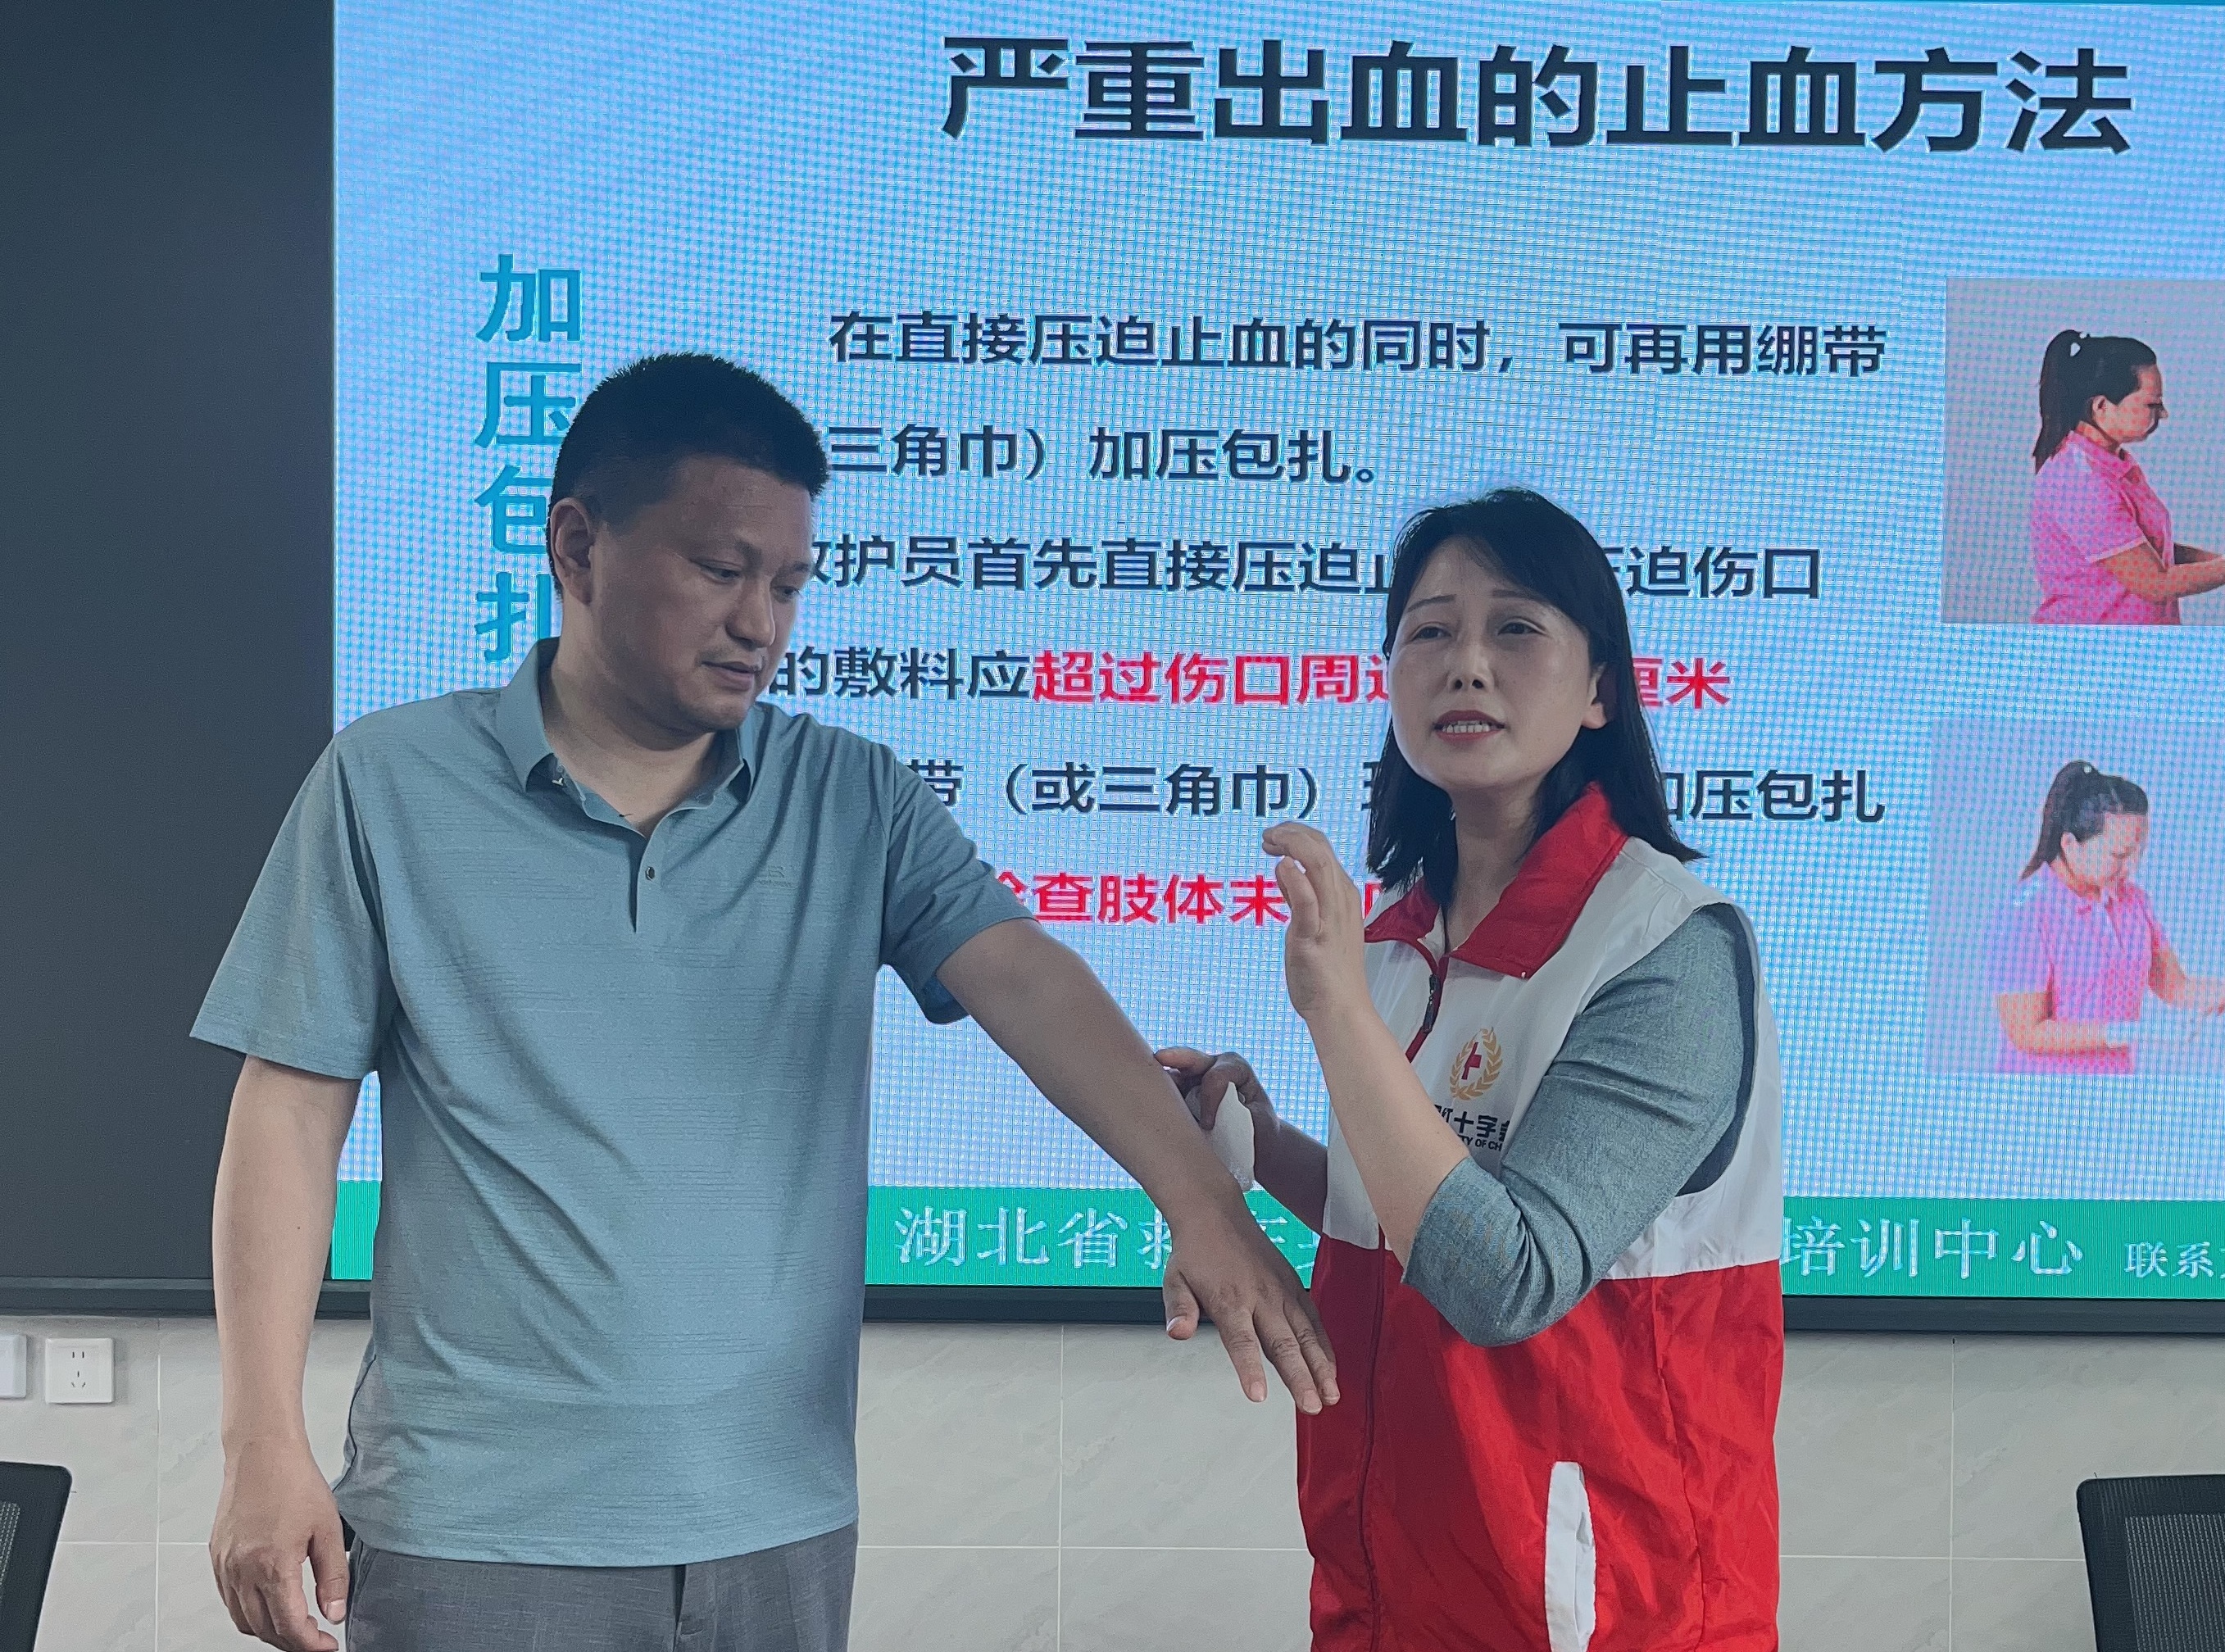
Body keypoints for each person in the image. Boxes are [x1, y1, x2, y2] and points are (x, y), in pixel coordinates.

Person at [194, 353, 1337, 1652]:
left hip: (774, 1528)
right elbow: (287, 1118)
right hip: (476, 1533)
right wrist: (259, 1443)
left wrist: (1201, 1200)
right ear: (578, 546)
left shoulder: (852, 797)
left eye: (788, 585)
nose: (761, 623)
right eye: (720, 570)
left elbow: (1025, 979)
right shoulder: (389, 784)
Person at [1159, 489, 1783, 1651]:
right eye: (1430, 631)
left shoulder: (1663, 945)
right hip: (1394, 1567)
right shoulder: (1401, 936)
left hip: (1603, 1601)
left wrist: (1337, 1011)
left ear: (1601, 690)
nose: (1467, 665)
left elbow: (1506, 1278)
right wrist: (1263, 1144)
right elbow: (1406, 1204)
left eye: (1516, 628)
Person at [1990, 760, 2225, 1073]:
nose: (2131, 867)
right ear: (2070, 844)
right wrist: (2125, 1031)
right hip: (2043, 1091)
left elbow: (2175, 986)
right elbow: (2026, 1031)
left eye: (2137, 853)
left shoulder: (2133, 902)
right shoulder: (2027, 912)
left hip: (2114, 1086)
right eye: (2119, 855)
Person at [2025, 330, 2225, 625]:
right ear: (2101, 406)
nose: (2164, 414)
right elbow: (2154, 583)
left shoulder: (2114, 465)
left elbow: (2150, 552)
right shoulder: (2080, 482)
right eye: (2152, 405)